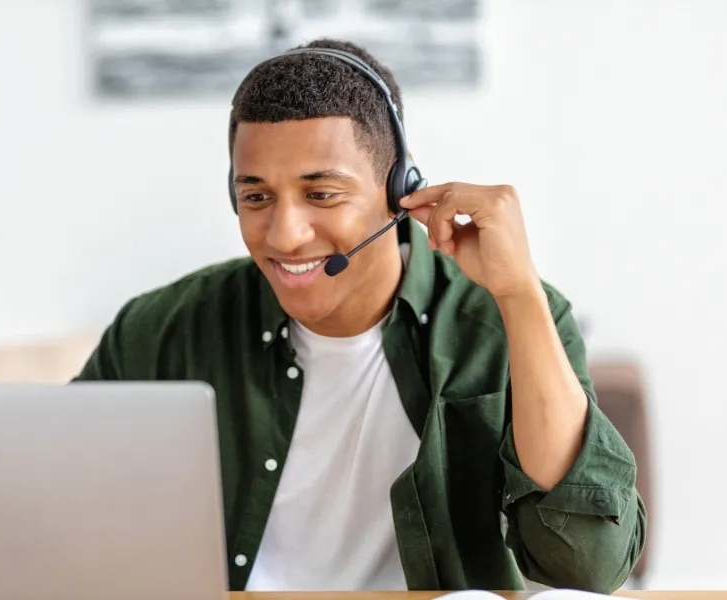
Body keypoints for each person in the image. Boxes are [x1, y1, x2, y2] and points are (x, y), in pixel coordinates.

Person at [73, 38, 646, 593]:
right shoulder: (161, 329)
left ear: (402, 188)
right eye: (256, 197)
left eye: (321, 195)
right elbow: (55, 507)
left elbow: (588, 566)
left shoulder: (500, 317)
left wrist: (519, 294)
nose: (285, 235)